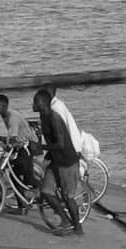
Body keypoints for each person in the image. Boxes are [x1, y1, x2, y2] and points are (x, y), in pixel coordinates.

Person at [34, 85, 85, 233]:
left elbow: (60, 144)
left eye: (36, 102)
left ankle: (77, 227)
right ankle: (64, 219)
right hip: (56, 161)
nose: (33, 105)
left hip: (67, 162)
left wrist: (41, 148)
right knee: (46, 191)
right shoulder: (43, 118)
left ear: (44, 104)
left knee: (68, 198)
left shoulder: (54, 118)